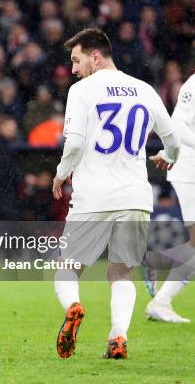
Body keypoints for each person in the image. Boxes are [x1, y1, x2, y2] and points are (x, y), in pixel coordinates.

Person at [51, 28, 180, 360]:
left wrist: (62, 173)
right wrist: (168, 158)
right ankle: (118, 336)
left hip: (94, 194)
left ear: (95, 56)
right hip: (135, 195)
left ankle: (73, 306)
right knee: (122, 270)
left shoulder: (82, 91)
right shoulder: (145, 90)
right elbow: (174, 142)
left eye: (77, 60)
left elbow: (76, 142)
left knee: (68, 265)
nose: (74, 69)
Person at [144, 74, 195, 322]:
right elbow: (178, 123)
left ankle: (156, 260)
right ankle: (160, 302)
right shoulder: (194, 84)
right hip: (190, 170)